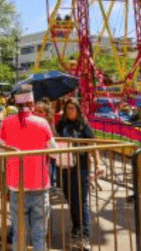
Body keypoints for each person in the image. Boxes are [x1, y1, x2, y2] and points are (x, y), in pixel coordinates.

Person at [0, 85, 57, 251]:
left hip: (16, 186)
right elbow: (55, 153)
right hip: (39, 185)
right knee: (39, 235)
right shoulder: (42, 123)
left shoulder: (7, 123)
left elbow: (0, 150)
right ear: (32, 103)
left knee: (19, 233)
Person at [55, 98, 103, 251]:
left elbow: (93, 144)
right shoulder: (61, 125)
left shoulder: (83, 125)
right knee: (70, 199)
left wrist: (98, 163)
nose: (70, 111)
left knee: (81, 202)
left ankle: (85, 236)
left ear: (78, 109)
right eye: (68, 108)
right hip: (65, 167)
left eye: (73, 108)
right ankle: (76, 227)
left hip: (81, 167)